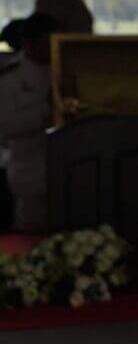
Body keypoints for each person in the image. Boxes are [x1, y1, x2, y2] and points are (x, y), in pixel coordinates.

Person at [0, 13, 57, 233]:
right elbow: (6, 125)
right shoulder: (11, 79)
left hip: (68, 166)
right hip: (29, 167)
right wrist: (46, 111)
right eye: (45, 42)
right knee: (30, 232)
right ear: (29, 43)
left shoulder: (64, 70)